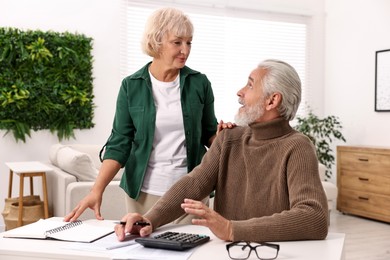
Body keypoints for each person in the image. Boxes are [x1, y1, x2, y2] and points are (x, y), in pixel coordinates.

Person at [115, 59, 329, 243]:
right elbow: (193, 184)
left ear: (272, 100)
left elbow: (314, 217)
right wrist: (150, 219)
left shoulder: (297, 146)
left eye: (250, 85)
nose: (240, 92)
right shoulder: (229, 138)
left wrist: (232, 230)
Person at [64, 7, 233, 223]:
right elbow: (120, 142)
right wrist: (96, 190)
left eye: (189, 42)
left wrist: (224, 136)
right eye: (177, 42)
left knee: (191, 253)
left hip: (191, 192)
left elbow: (209, 133)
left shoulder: (199, 83)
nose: (185, 50)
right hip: (143, 193)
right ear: (157, 41)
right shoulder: (131, 86)